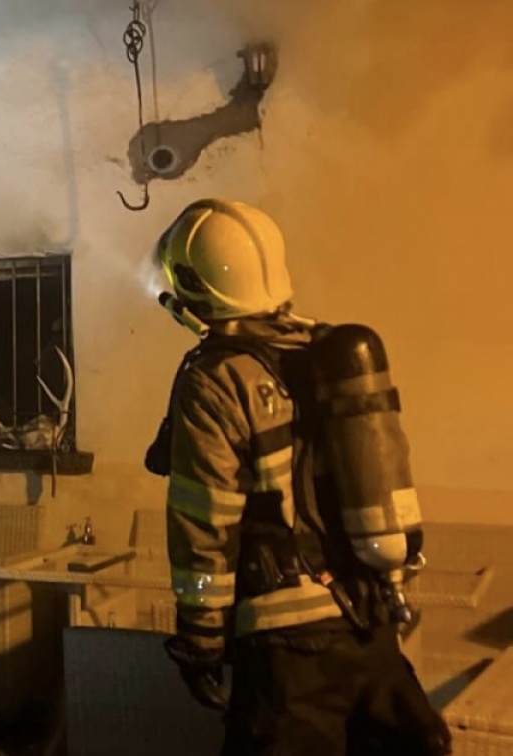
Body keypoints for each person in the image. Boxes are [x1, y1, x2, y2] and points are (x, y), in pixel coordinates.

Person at [147, 198, 451, 755]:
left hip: (287, 648)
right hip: (369, 626)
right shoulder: (325, 353)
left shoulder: (215, 378)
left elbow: (204, 519)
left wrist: (201, 637)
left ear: (196, 285)